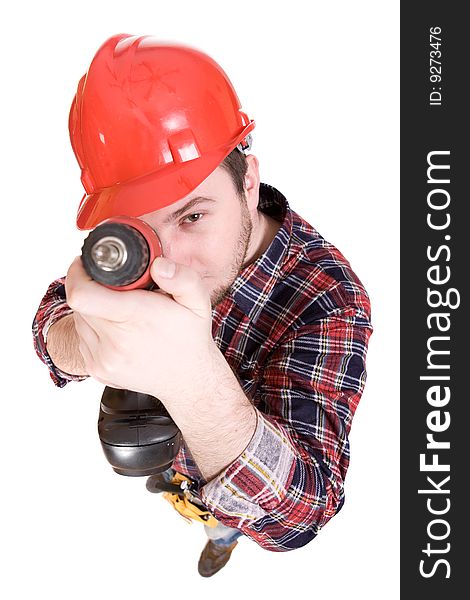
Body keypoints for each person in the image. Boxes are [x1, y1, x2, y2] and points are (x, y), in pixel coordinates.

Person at [32, 34, 373, 578]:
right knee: (172, 484)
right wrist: (79, 342)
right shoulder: (134, 252)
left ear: (249, 183)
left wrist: (193, 381)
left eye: (193, 216)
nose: (169, 260)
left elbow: (303, 512)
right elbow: (51, 318)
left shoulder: (328, 296)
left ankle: (218, 534)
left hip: (241, 495)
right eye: (141, 226)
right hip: (171, 452)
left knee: (227, 518)